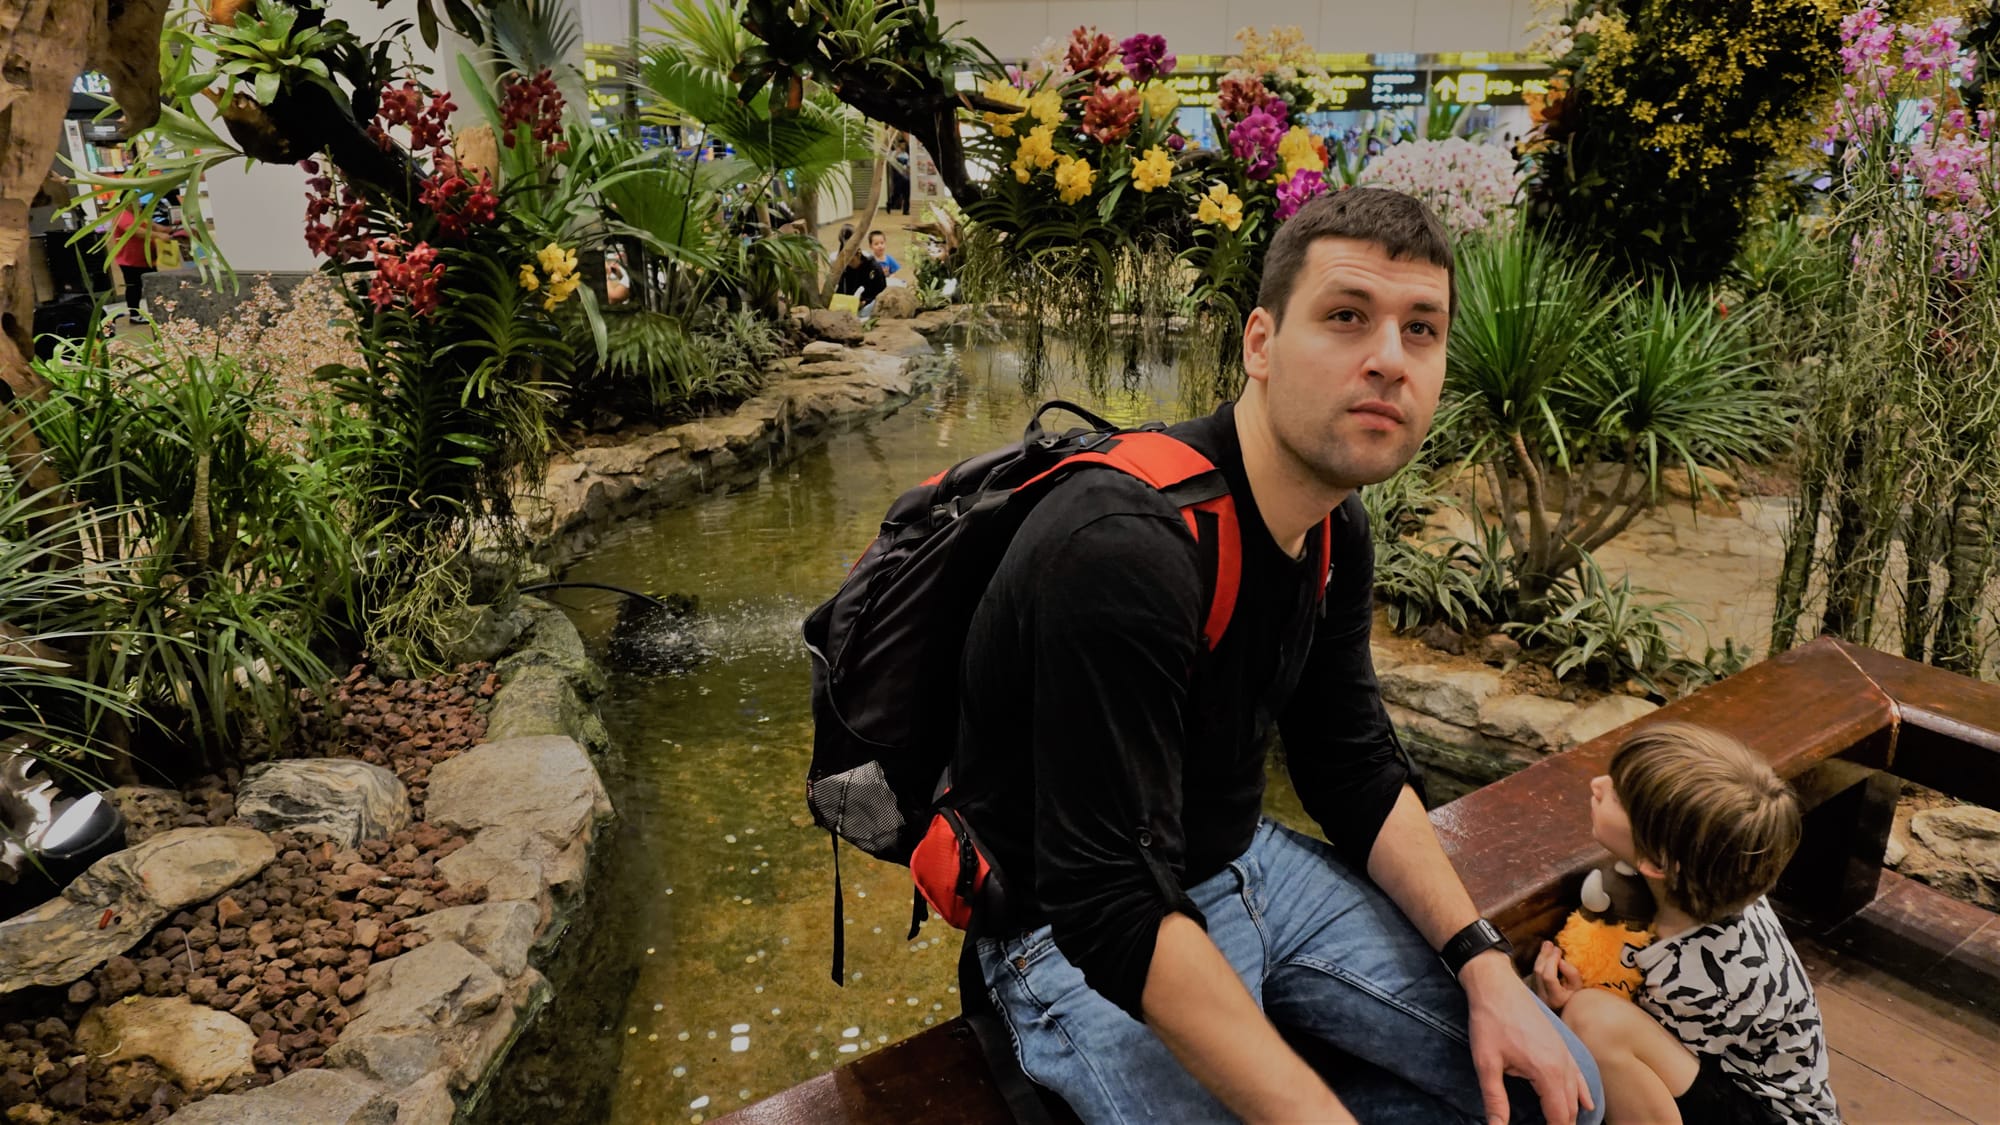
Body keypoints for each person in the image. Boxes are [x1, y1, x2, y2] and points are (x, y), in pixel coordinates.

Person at [952, 187, 1603, 1124]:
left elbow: (1349, 760)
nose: (1389, 358)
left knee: (1561, 1095)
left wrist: (1484, 963)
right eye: (1347, 316)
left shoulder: (1335, 527)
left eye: (1421, 329)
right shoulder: (1120, 547)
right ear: (1259, 343)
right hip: (1064, 927)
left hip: (1244, 859)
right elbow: (1107, 897)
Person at [1529, 723, 1837, 1125]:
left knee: (1593, 1020)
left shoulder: (1701, 976)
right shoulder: (1714, 883)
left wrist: (1565, 1003)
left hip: (1766, 1113)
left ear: (1658, 864)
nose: (1597, 784)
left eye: (1618, 796)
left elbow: (1636, 1044)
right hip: (1727, 1080)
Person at [834, 238, 885, 316]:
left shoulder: (873, 268)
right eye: (846, 261)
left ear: (858, 254)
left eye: (851, 260)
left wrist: (864, 302)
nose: (849, 263)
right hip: (850, 305)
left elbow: (880, 292)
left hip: (870, 303)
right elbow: (841, 291)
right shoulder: (847, 269)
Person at [884, 131, 912, 216]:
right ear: (899, 145)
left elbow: (908, 165)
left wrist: (909, 171)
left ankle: (906, 210)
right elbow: (890, 161)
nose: (903, 146)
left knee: (907, 194)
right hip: (897, 176)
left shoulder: (906, 154)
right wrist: (896, 153)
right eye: (902, 144)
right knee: (897, 193)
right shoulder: (894, 153)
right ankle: (889, 204)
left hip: (906, 176)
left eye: (904, 145)